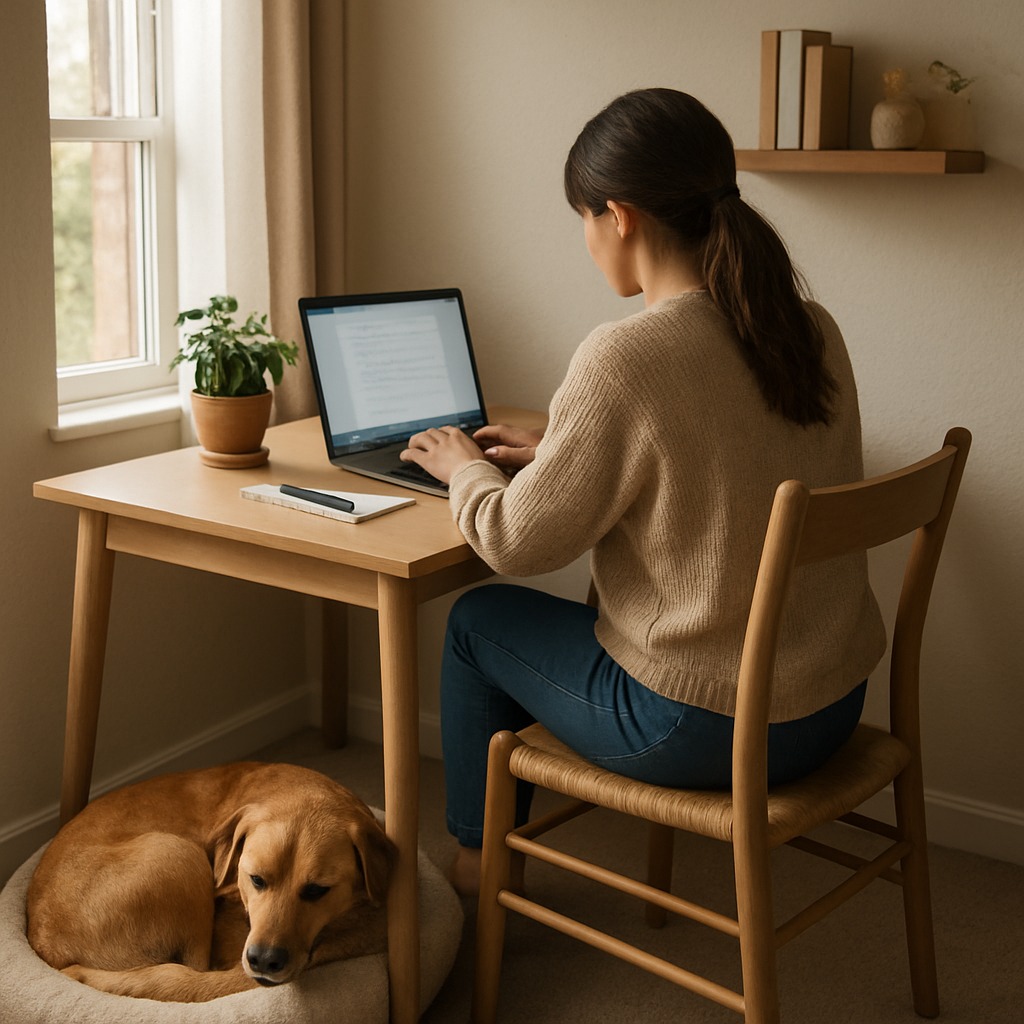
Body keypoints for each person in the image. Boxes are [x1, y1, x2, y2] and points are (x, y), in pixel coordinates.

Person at [400, 88, 886, 897]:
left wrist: (466, 469)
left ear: (618, 216)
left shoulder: (626, 356)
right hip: (829, 707)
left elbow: (515, 543)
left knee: (474, 622)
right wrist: (560, 448)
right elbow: (722, 464)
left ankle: (479, 869)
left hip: (703, 726)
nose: (584, 242)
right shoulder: (809, 326)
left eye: (582, 220)